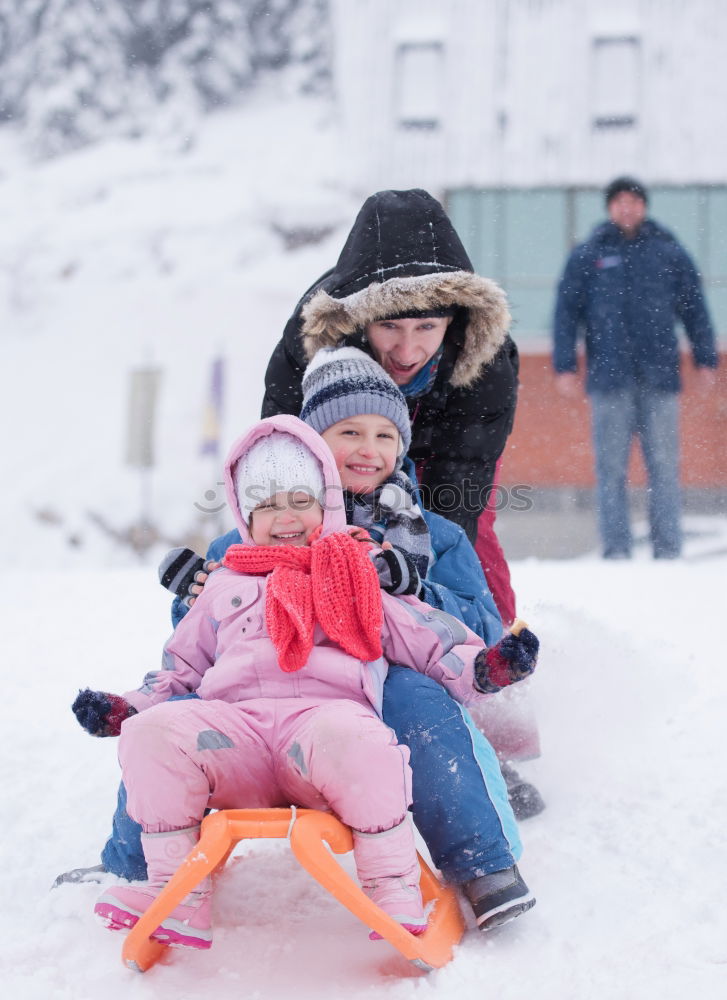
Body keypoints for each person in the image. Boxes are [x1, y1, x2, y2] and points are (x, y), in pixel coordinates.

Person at [71, 416, 537, 948]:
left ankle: (392, 886)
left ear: (326, 505)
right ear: (245, 517)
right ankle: (174, 894)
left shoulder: (357, 573)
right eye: (267, 505)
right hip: (236, 736)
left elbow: (424, 637)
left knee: (368, 741)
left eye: (299, 501)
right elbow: (182, 668)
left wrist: (485, 668)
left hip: (320, 735)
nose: (285, 517)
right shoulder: (225, 581)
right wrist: (129, 709)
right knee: (153, 735)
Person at [262, 188, 520, 625]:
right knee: (316, 525)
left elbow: (460, 498)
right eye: (390, 326)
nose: (407, 348)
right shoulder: (312, 343)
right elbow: (278, 461)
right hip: (346, 442)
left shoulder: (486, 360)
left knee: (458, 535)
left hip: (442, 436)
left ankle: (493, 637)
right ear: (363, 321)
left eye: (426, 327)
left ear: (453, 321)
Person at [553, 176, 719, 559]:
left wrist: (705, 357)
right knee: (610, 469)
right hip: (609, 379)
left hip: (659, 377)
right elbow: (566, 313)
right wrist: (564, 364)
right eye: (620, 201)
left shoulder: (668, 253)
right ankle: (616, 550)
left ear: (644, 206)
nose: (627, 208)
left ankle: (668, 549)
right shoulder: (589, 255)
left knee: (663, 467)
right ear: (610, 207)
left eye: (634, 201)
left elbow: (695, 309)